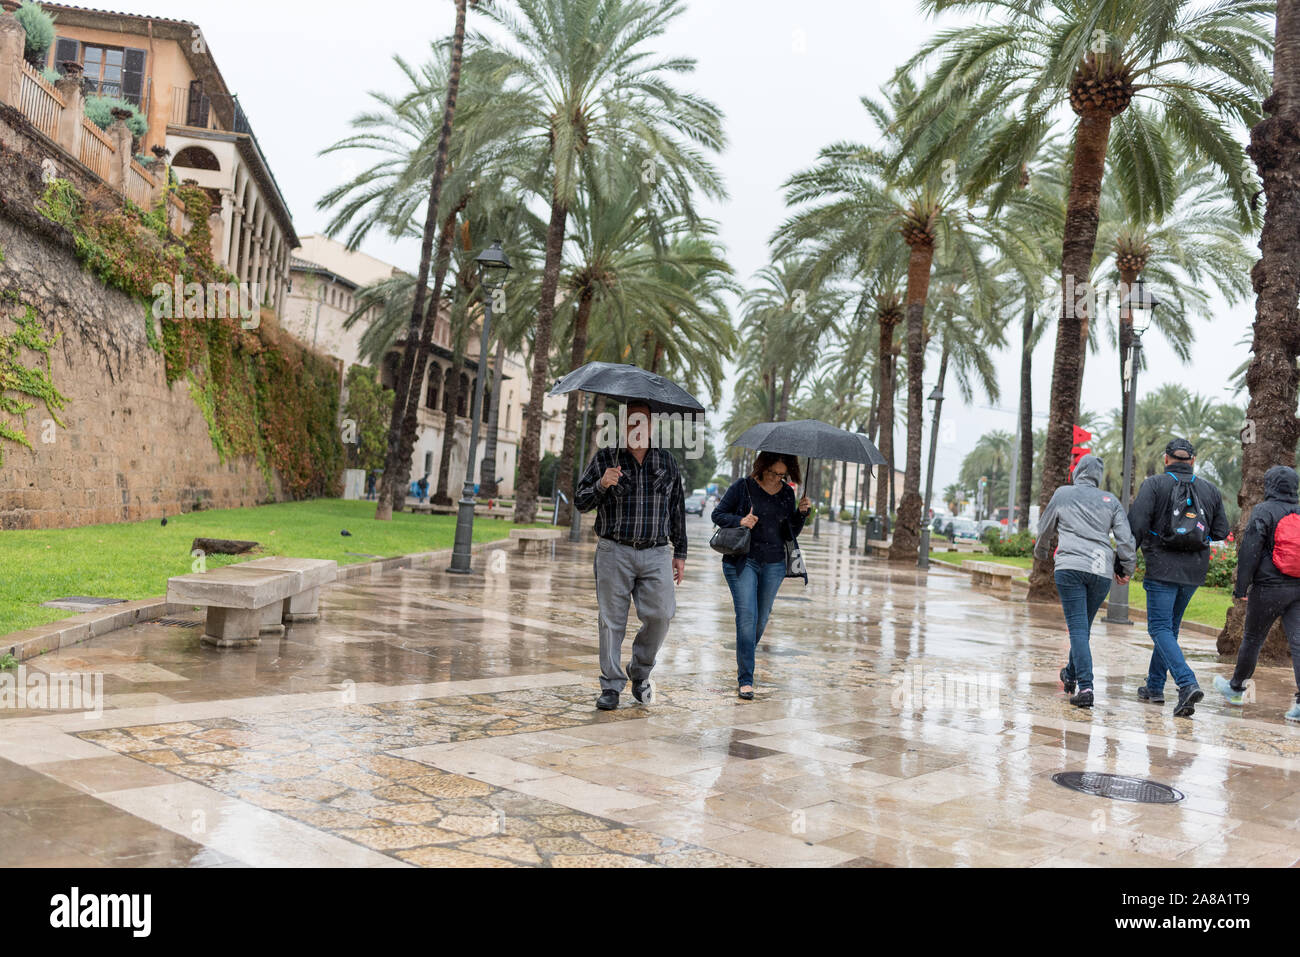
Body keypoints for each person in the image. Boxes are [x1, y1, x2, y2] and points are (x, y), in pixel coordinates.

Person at [575, 401, 687, 711]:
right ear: (623, 427)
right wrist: (601, 484)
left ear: (652, 427)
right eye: (631, 423)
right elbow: (580, 501)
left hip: (656, 552)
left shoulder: (667, 462)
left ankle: (640, 672)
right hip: (615, 550)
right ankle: (611, 686)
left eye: (643, 423)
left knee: (662, 614)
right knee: (611, 621)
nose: (637, 429)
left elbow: (677, 508)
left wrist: (681, 552)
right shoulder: (605, 458)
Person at [1128, 437, 1231, 717]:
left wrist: (1124, 562)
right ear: (1193, 461)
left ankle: (1186, 683)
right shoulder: (1210, 490)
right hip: (1194, 571)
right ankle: (1154, 686)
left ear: (1166, 459)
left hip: (1161, 567)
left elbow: (1136, 525)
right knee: (1169, 629)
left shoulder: (1154, 484)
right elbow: (1221, 531)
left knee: (1159, 628)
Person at [1034, 454, 1137, 709]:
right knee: (1083, 629)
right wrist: (1127, 568)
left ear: (1077, 472)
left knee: (1078, 630)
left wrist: (1041, 552)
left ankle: (1086, 686)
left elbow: (1044, 527)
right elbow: (1125, 540)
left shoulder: (1063, 494)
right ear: (1098, 477)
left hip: (1070, 567)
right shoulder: (1110, 500)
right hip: (1101, 571)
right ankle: (1069, 674)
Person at [711, 452, 811, 700]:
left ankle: (745, 656)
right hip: (743, 561)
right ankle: (746, 679)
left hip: (775, 564)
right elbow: (717, 515)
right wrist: (741, 520)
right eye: (773, 473)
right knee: (747, 617)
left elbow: (790, 532)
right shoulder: (743, 487)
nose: (777, 478)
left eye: (782, 475)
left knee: (760, 620)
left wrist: (801, 514)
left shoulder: (787, 493)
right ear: (762, 467)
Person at [1215, 465, 1300, 722]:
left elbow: (1250, 550)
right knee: (1298, 643)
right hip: (1298, 587)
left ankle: (1236, 688)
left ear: (1270, 485)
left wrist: (1242, 587)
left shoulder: (1264, 510)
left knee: (1252, 639)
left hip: (1268, 588)